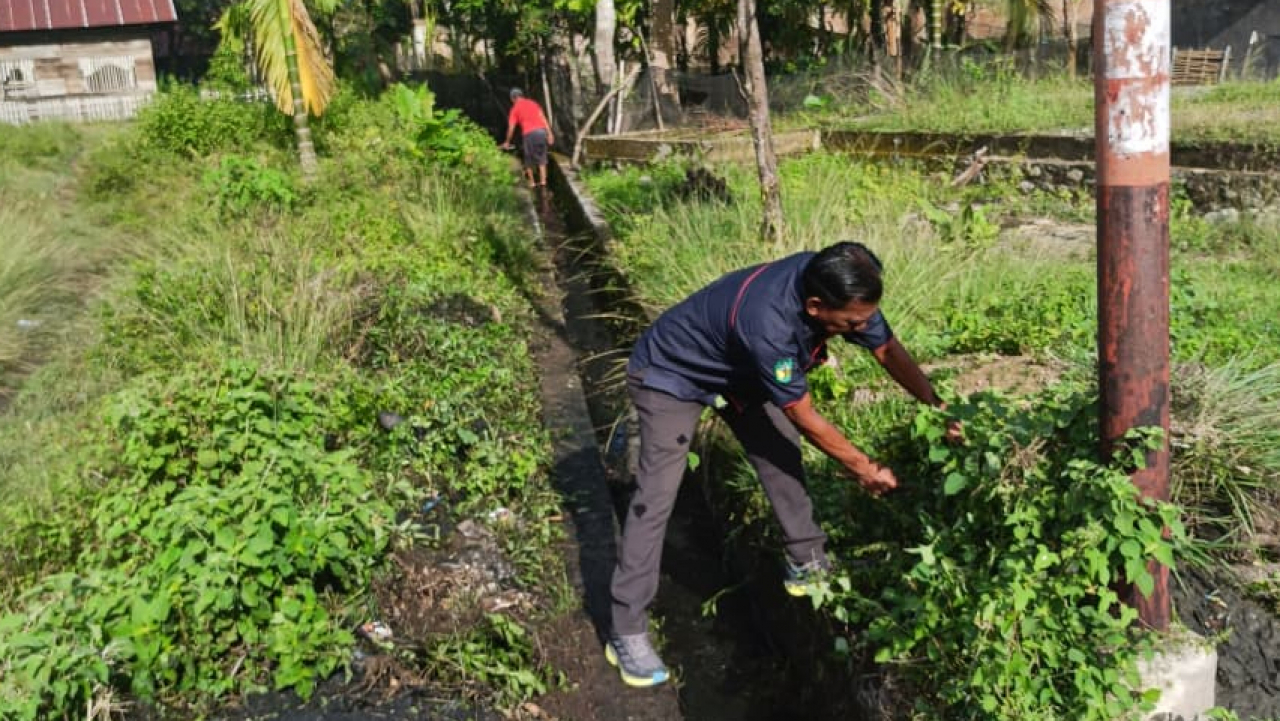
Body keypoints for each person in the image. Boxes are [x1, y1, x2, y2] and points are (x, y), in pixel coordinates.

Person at [604, 241, 962, 688]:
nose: (862, 327)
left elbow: (887, 349)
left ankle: (807, 560)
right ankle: (627, 628)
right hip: (672, 374)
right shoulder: (768, 321)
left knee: (779, 452)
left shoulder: (839, 284)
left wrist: (938, 406)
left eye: (866, 317)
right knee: (656, 497)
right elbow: (804, 413)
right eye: (853, 323)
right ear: (815, 307)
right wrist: (863, 466)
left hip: (740, 372)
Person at [500, 88, 554, 188]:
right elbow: (543, 118)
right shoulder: (533, 103)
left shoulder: (515, 109)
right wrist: (550, 134)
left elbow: (511, 128)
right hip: (541, 132)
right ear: (522, 95)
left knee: (528, 160)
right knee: (542, 158)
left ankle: (532, 183)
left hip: (529, 134)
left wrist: (507, 142)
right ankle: (543, 182)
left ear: (513, 99)